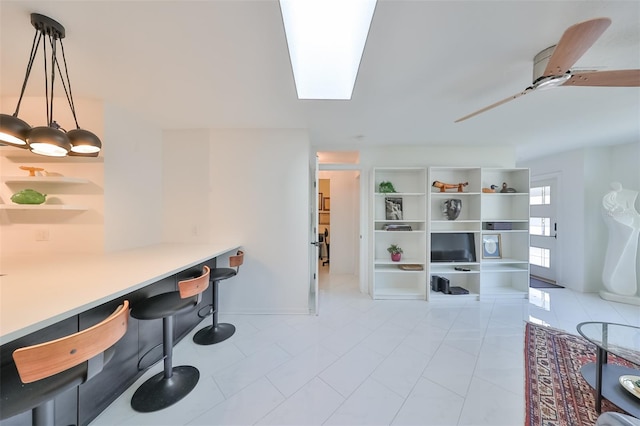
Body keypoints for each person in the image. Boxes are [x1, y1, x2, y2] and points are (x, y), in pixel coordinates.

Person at [601, 182, 640, 296]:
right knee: (618, 254)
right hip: (620, 225)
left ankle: (626, 287)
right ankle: (617, 283)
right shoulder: (609, 199)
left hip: (626, 226)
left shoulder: (616, 200)